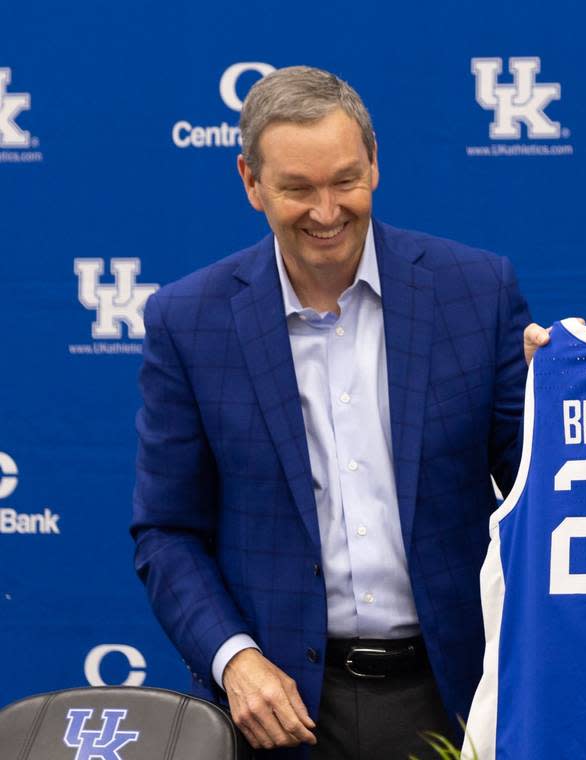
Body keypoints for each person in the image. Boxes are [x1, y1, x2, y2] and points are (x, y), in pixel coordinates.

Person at [131, 66, 531, 759]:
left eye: (345, 180)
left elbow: (539, 481)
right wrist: (236, 661)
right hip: (277, 710)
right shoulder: (187, 322)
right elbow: (167, 531)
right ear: (251, 183)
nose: (325, 210)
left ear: (374, 163)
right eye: (296, 188)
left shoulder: (477, 292)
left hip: (457, 691)